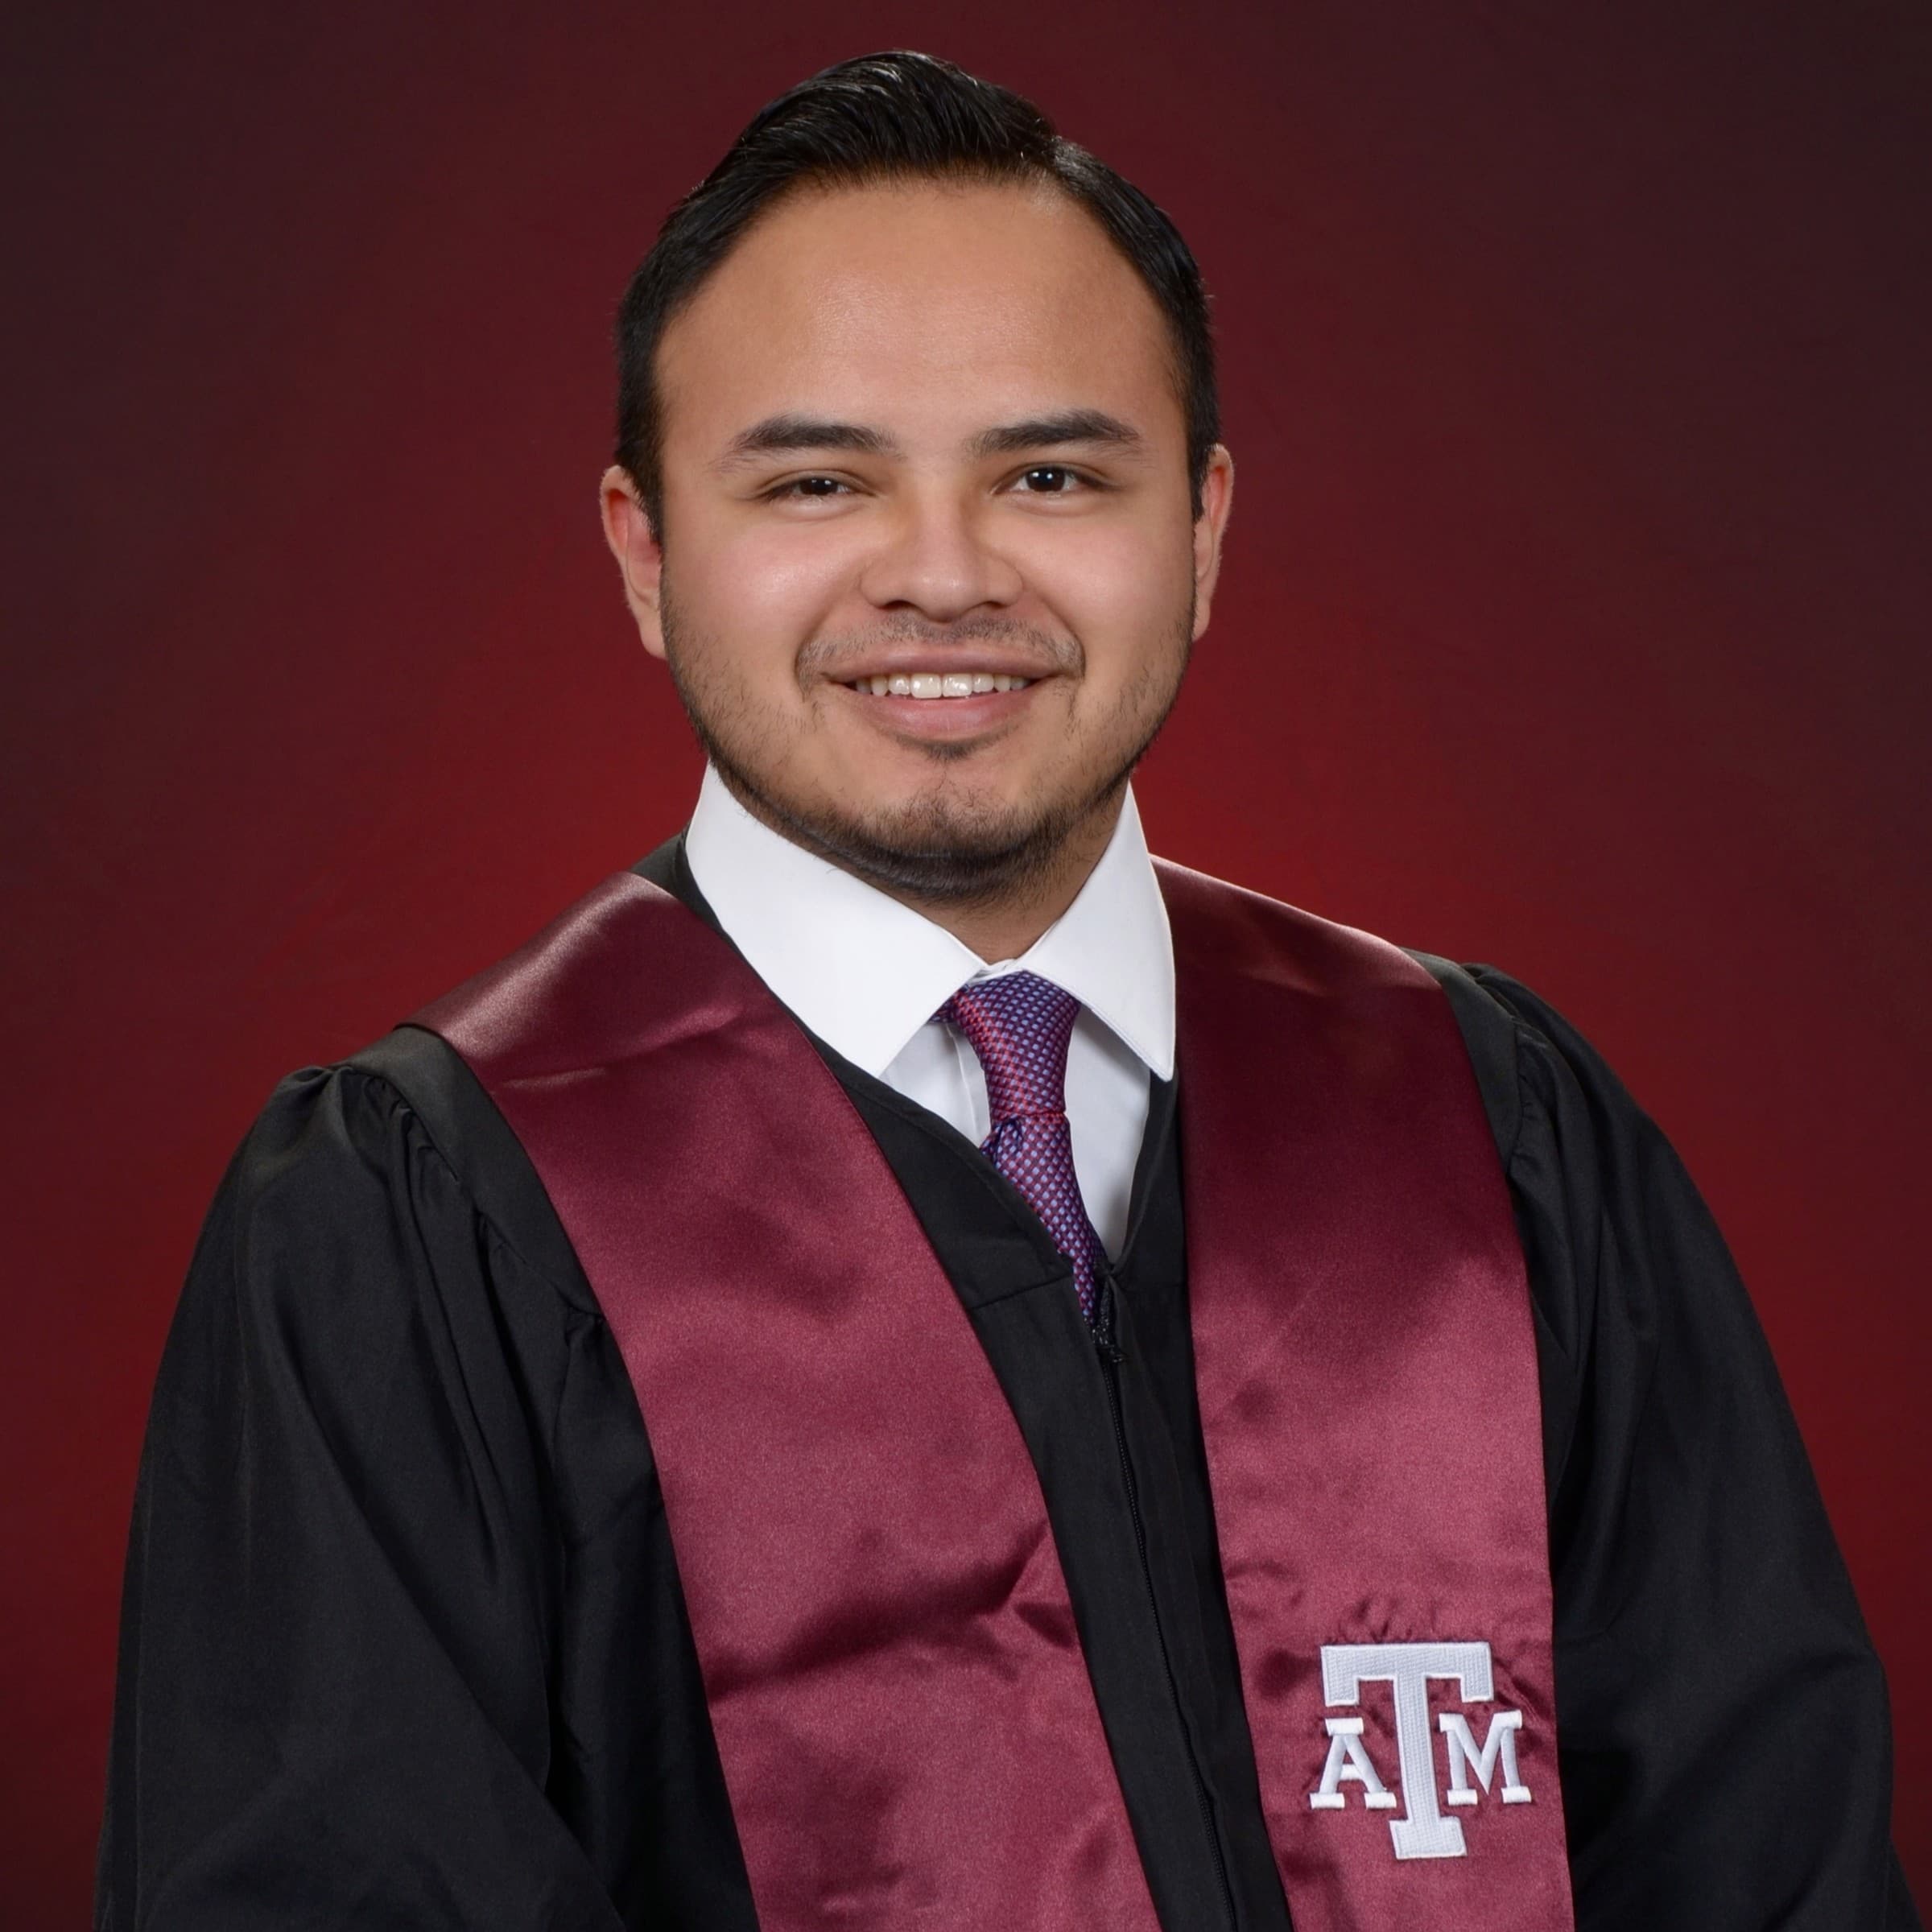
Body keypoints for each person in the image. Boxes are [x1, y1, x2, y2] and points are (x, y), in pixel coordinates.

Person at [97, 49, 1918, 1932]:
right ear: (645, 554)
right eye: (817, 479)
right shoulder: (417, 1226)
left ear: (1202, 530)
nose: (945, 575)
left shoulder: (1495, 1130)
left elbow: (1768, 1870)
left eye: (1051, 472)